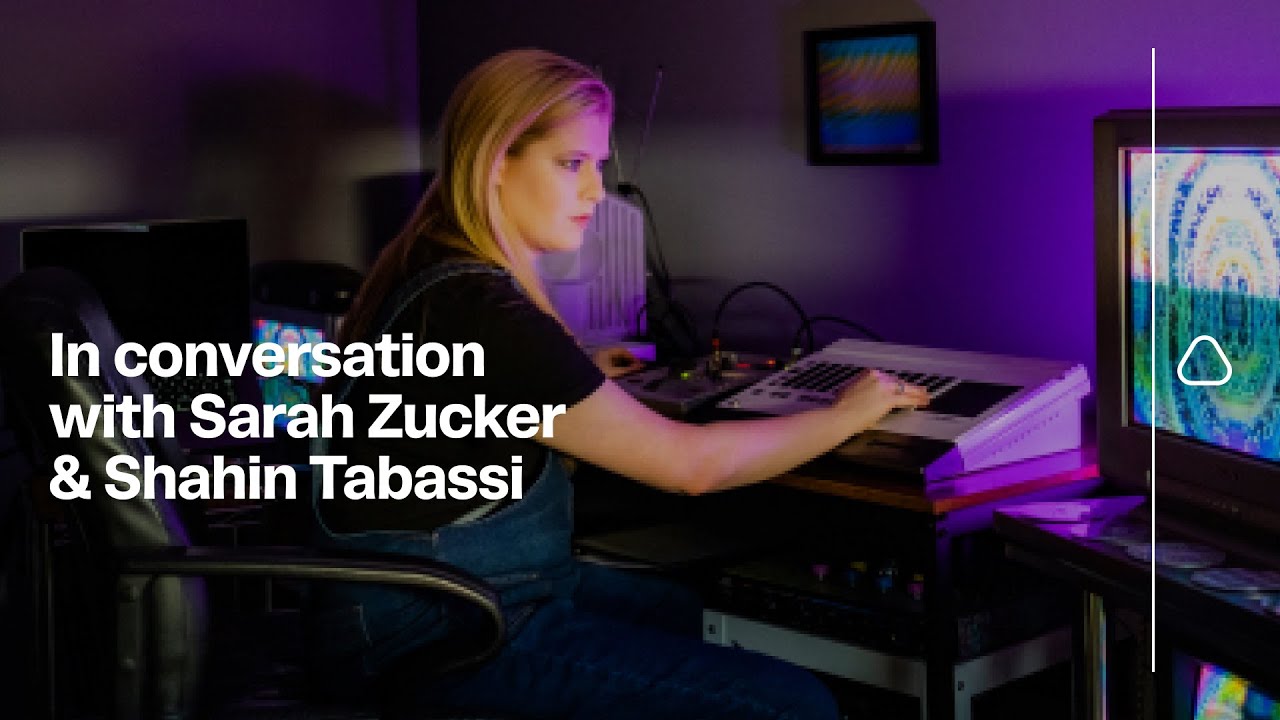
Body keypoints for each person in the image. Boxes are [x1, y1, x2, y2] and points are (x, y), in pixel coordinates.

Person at [308, 48, 929, 719]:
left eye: (597, 166)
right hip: (448, 634)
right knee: (793, 704)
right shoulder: (484, 311)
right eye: (571, 163)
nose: (595, 192)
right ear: (496, 161)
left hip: (427, 608)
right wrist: (845, 412)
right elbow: (691, 468)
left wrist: (577, 376)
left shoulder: (430, 270)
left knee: (689, 611)